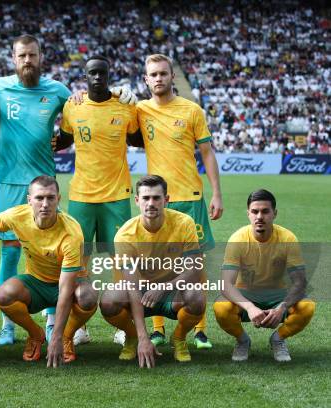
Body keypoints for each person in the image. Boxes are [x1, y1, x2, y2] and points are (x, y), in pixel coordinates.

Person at [0, 35, 136, 345]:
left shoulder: (59, 92)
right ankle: (7, 324)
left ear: (40, 56)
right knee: (9, 251)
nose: (27, 60)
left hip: (44, 183)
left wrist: (117, 91)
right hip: (9, 181)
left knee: (53, 254)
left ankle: (51, 323)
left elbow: (91, 98)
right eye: (22, 55)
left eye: (32, 55)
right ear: (13, 57)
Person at [135, 54, 223, 349]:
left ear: (172, 77)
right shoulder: (140, 110)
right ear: (146, 80)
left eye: (163, 73)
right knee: (156, 262)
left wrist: (217, 194)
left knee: (195, 264)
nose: (158, 78)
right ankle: (157, 327)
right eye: (153, 74)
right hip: (157, 201)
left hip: (190, 197)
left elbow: (207, 153)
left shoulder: (192, 110)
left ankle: (199, 328)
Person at [58, 55, 141, 345]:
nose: (96, 78)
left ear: (109, 75)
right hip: (81, 194)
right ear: (85, 75)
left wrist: (133, 98)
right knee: (80, 260)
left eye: (101, 73)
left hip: (117, 195)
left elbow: (139, 139)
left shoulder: (125, 105)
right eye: (91, 73)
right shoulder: (73, 105)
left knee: (121, 259)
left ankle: (122, 323)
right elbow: (63, 139)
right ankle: (80, 325)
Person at [0, 176, 97, 367]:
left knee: (88, 296)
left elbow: (65, 290)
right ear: (29, 200)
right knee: (4, 295)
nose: (45, 204)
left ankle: (67, 336)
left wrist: (57, 338)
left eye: (51, 198)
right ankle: (36, 334)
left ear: (58, 199)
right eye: (39, 198)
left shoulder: (71, 232)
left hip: (69, 284)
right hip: (37, 282)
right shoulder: (17, 215)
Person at [100, 175, 206, 366]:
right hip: (140, 292)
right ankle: (132, 337)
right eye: (146, 198)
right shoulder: (125, 235)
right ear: (137, 200)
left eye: (156, 198)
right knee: (109, 300)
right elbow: (131, 287)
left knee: (196, 297)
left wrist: (164, 287)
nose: (151, 203)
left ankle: (179, 338)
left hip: (172, 291)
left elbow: (195, 268)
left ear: (166, 199)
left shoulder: (184, 223)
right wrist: (143, 337)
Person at [214, 189, 315, 362]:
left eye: (265, 211)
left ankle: (278, 339)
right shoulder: (237, 239)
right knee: (221, 308)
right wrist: (250, 308)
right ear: (248, 214)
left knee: (307, 307)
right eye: (255, 211)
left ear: (274, 214)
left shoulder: (287, 238)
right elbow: (226, 284)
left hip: (277, 296)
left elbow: (300, 282)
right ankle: (242, 340)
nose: (259, 216)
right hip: (246, 295)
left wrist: (282, 307)